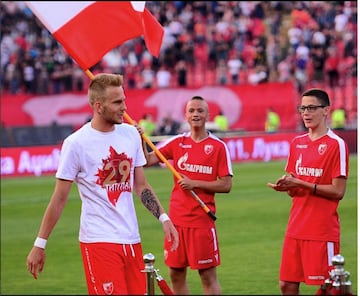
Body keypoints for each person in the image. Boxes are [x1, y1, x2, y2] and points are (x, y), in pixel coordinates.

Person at [26, 73, 179, 295]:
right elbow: (59, 198)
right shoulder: (76, 143)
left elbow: (141, 186)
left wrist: (164, 218)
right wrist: (40, 244)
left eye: (124, 100)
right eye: (117, 102)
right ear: (98, 106)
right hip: (98, 242)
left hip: (131, 239)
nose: (124, 108)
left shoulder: (131, 134)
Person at [138, 95, 233, 295]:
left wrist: (194, 183)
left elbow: (226, 185)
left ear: (208, 115)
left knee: (207, 276)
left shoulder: (218, 147)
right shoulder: (177, 142)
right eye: (191, 111)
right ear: (186, 116)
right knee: (175, 274)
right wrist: (140, 138)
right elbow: (147, 160)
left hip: (202, 222)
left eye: (200, 110)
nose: (195, 114)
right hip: (176, 222)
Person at [267, 88, 349, 295]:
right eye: (303, 108)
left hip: (321, 230)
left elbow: (338, 191)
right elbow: (295, 187)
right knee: (287, 285)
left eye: (312, 108)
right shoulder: (297, 143)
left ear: (326, 111)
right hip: (295, 227)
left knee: (328, 288)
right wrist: (287, 186)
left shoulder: (336, 144)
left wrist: (300, 183)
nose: (306, 113)